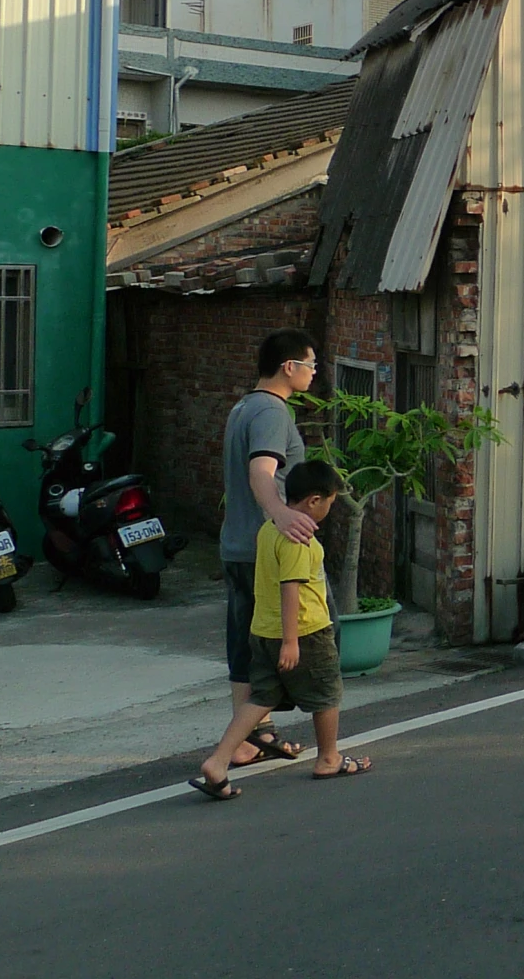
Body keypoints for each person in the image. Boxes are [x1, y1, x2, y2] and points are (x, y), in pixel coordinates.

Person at [190, 460, 372, 797]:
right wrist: (292, 642)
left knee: (262, 696)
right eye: (330, 502)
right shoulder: (298, 537)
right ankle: (329, 757)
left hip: (263, 631)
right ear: (314, 501)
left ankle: (218, 761)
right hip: (305, 631)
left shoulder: (271, 528)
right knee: (326, 692)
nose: (331, 509)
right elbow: (292, 588)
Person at [219, 329, 321, 770]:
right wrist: (280, 513)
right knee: (298, 641)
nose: (314, 373)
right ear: (289, 367)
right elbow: (262, 470)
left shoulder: (244, 406)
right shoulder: (272, 412)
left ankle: (253, 735)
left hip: (236, 544)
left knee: (246, 644)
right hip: (268, 550)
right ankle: (240, 742)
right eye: (311, 364)